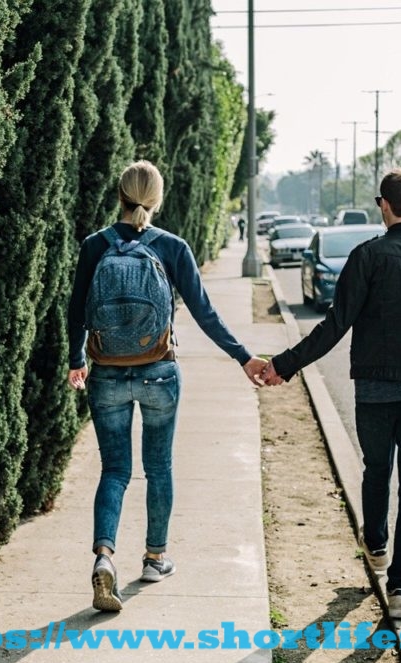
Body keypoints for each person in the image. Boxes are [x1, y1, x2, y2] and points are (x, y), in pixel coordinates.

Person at [261, 168, 401, 620]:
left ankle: (375, 545)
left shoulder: (367, 256)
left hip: (375, 388)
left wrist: (283, 365)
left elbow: (336, 325)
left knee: (377, 469)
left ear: (383, 205)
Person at [67, 160, 267, 612]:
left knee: (115, 470)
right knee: (158, 467)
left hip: (108, 374)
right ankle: (155, 557)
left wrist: (76, 359)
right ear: (157, 200)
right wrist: (243, 356)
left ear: (119, 195)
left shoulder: (95, 246)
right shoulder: (173, 247)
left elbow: (76, 309)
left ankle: (104, 557)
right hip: (159, 371)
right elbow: (204, 312)